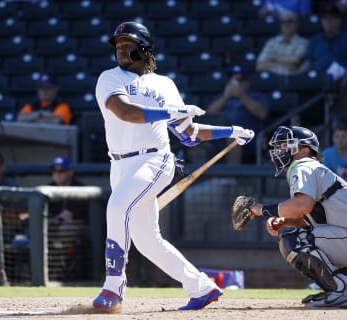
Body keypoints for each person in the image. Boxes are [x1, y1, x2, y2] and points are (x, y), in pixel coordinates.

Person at [92, 21, 255, 313]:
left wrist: (230, 130)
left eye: (128, 44)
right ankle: (202, 287)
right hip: (119, 164)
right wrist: (170, 111)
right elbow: (126, 112)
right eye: (118, 45)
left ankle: (113, 287)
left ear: (144, 48)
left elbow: (188, 134)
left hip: (154, 159)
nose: (121, 50)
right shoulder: (109, 78)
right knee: (147, 240)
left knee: (116, 208)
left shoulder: (164, 84)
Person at [240, 126, 347, 308]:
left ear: (304, 150)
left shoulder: (303, 166)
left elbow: (302, 205)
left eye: (285, 145)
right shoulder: (313, 168)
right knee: (302, 235)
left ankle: (342, 290)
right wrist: (285, 220)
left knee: (294, 240)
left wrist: (261, 209)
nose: (280, 151)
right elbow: (316, 216)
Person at [298, 3, 347, 128]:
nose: (328, 22)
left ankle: (339, 118)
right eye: (325, 19)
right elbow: (308, 62)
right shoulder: (315, 40)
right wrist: (297, 75)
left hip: (342, 77)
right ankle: (311, 121)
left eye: (332, 18)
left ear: (339, 20)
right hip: (318, 77)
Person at [207, 65, 269, 164]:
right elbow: (208, 116)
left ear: (247, 83)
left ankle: (231, 177)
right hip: (218, 138)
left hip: (248, 138)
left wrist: (241, 95)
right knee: (196, 140)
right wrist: (225, 97)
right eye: (232, 80)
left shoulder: (255, 96)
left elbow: (262, 114)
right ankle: (198, 178)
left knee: (233, 136)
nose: (235, 83)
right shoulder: (221, 97)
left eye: (239, 80)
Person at [256, 11, 308, 76]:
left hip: (290, 80)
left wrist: (273, 57)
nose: (286, 24)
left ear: (297, 24)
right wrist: (282, 64)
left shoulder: (303, 42)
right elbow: (259, 66)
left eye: (289, 21)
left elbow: (295, 61)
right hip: (272, 79)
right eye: (282, 22)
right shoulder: (272, 42)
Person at [47, 155, 88, 224]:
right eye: (54, 170)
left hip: (77, 229)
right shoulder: (49, 187)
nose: (57, 174)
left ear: (70, 172)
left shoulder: (80, 188)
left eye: (61, 171)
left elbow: (78, 212)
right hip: (52, 228)